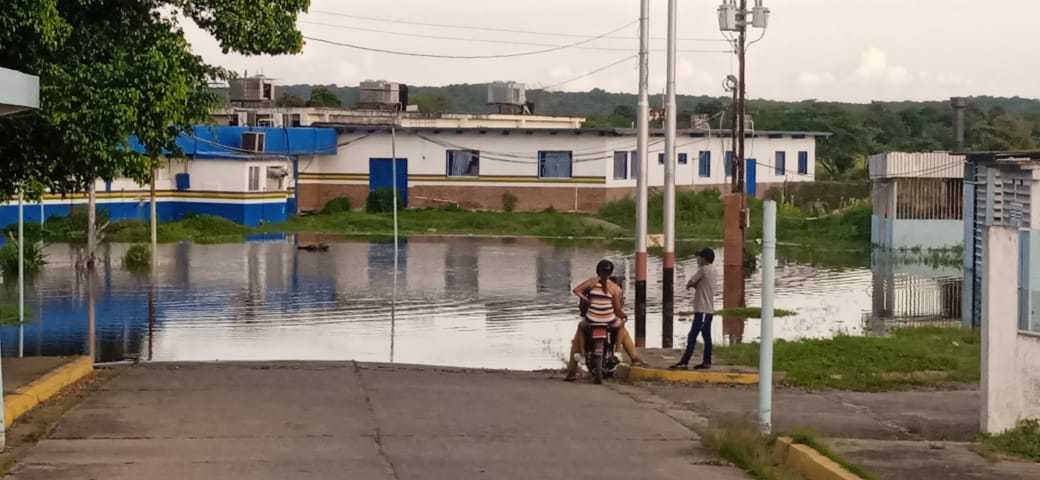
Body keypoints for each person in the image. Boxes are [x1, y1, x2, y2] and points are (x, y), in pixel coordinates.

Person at [564, 260, 645, 381]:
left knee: (577, 340)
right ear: (611, 273)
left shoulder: (590, 284)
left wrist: (587, 302)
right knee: (623, 332)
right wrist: (623, 315)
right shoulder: (615, 288)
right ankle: (631, 357)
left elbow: (581, 306)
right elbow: (618, 309)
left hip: (590, 320)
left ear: (598, 271)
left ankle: (572, 372)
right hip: (609, 321)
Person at [670, 248, 718, 370]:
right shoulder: (713, 270)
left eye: (699, 257)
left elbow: (690, 282)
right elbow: (702, 286)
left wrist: (691, 285)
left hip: (701, 309)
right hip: (709, 309)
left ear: (704, 259)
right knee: (706, 336)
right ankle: (707, 361)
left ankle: (684, 361)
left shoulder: (703, 270)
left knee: (692, 335)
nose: (698, 260)